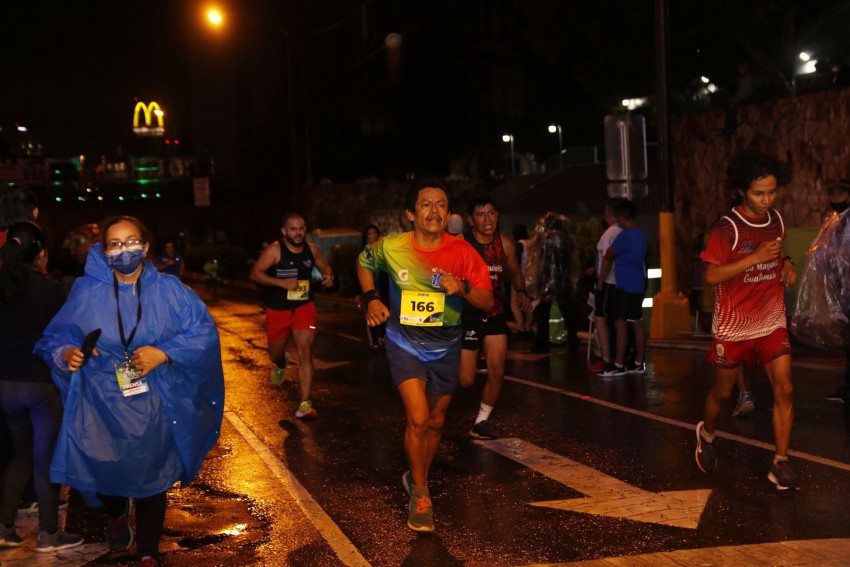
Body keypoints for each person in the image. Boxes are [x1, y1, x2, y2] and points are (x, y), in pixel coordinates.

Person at [34, 215, 225, 566]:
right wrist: (66, 354)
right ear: (104, 251)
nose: (124, 250)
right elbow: (56, 338)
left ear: (146, 246)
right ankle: (117, 510)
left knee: (154, 477)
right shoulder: (87, 291)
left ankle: (148, 553)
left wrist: (164, 353)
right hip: (101, 403)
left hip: (156, 401)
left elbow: (203, 333)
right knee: (107, 473)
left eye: (132, 241)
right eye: (115, 244)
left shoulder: (171, 290)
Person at [357, 179, 492, 532]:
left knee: (435, 421)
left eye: (441, 204)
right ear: (410, 214)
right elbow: (363, 262)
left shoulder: (462, 252)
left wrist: (462, 287)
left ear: (448, 213)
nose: (434, 211)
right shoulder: (392, 246)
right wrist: (371, 297)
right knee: (417, 418)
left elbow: (487, 299)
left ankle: (416, 476)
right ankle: (420, 492)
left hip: (446, 346)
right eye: (426, 204)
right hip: (404, 344)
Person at [693, 150, 798, 491]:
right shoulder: (728, 228)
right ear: (741, 190)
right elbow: (712, 276)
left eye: (772, 191)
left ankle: (780, 462)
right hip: (734, 326)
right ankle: (707, 434)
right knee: (723, 392)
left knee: (785, 388)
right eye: (758, 193)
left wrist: (787, 264)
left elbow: (779, 249)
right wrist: (754, 258)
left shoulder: (775, 220)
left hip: (771, 319)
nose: (767, 200)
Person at [0, 222, 83, 552]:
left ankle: (4, 528)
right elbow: (65, 336)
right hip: (40, 388)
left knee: (20, 456)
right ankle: (49, 534)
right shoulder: (49, 290)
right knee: (44, 459)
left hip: (5, 386)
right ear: (41, 254)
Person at [458, 196, 531, 440]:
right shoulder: (461, 244)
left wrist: (522, 292)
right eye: (481, 214)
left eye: (491, 213)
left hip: (495, 314)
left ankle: (481, 422)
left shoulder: (505, 244)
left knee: (497, 371)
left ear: (497, 216)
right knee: (466, 380)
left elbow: (515, 273)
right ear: (471, 220)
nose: (487, 219)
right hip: (467, 315)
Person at [250, 213, 333, 419]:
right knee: (274, 354)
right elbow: (255, 273)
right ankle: (281, 363)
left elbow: (325, 267)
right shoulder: (275, 250)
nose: (298, 233)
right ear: (284, 231)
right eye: (293, 229)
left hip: (304, 307)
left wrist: (328, 276)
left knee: (305, 351)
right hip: (278, 310)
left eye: (302, 229)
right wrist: (281, 283)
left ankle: (305, 404)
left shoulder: (312, 249)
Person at [791, 180, 850, 404]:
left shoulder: (845, 220)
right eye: (832, 194)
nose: (835, 198)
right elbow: (825, 252)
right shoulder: (834, 220)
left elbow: (841, 253)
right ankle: (847, 387)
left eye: (840, 193)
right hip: (842, 293)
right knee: (847, 343)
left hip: (846, 291)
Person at [597, 199, 648, 376]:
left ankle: (618, 364)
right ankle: (639, 362)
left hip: (625, 284)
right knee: (637, 322)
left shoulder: (625, 236)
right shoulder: (640, 234)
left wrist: (600, 281)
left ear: (621, 216)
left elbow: (609, 254)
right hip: (638, 282)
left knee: (621, 323)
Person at [528, 212, 580, 353]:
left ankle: (542, 342)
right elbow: (572, 260)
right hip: (563, 279)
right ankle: (573, 340)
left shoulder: (544, 238)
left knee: (543, 313)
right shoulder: (567, 239)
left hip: (546, 279)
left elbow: (536, 256)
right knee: (568, 311)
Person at [588, 198, 624, 372]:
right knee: (618, 320)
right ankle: (620, 357)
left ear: (609, 212)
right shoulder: (624, 232)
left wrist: (600, 281)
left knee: (600, 317)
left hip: (609, 282)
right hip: (622, 282)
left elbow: (607, 259)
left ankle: (607, 356)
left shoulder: (609, 234)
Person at [361, 224, 388, 353]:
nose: (373, 236)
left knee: (384, 314)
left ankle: (383, 337)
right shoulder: (364, 253)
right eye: (370, 233)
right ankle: (374, 342)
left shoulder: (383, 250)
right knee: (372, 315)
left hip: (383, 289)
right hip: (370, 291)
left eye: (375, 233)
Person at [508, 224, 534, 334]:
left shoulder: (519, 245)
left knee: (514, 303)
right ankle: (528, 325)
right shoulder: (532, 244)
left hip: (521, 277)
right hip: (531, 278)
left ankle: (520, 325)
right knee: (529, 303)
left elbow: (515, 263)